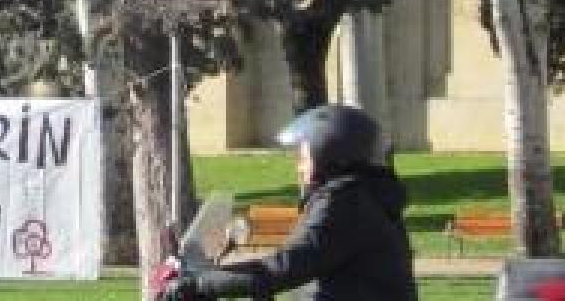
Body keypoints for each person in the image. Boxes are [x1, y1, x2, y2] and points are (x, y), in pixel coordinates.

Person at [159, 103, 417, 301]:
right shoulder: (368, 199)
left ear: (330, 155)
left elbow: (285, 268)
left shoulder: (345, 202)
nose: (299, 168)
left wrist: (199, 284)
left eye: (304, 158)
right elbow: (302, 269)